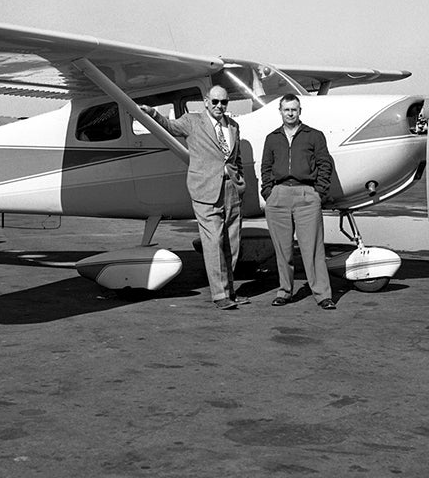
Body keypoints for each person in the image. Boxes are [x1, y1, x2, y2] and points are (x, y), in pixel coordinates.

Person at [139, 86, 247, 310]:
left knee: (232, 244)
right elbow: (169, 126)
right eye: (215, 102)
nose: (220, 106)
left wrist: (240, 184)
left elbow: (235, 158)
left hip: (231, 190)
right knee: (213, 242)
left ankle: (230, 290)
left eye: (224, 102)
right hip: (205, 190)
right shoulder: (192, 121)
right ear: (206, 101)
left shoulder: (234, 126)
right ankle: (220, 296)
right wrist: (152, 114)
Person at [260, 94, 336, 310]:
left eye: (294, 109)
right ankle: (285, 292)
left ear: (300, 110)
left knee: (312, 249)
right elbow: (266, 167)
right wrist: (269, 193)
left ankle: (323, 295)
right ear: (281, 112)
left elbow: (324, 164)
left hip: (306, 196)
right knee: (283, 250)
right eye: (287, 110)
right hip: (279, 196)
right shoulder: (272, 138)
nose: (290, 113)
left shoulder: (314, 136)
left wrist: (318, 193)